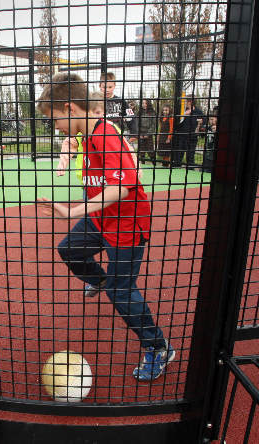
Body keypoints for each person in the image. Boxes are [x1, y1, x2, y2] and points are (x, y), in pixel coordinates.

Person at [36, 73, 175, 382]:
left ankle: (159, 347)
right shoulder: (85, 135)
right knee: (70, 250)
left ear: (71, 109)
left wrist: (72, 211)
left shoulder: (104, 135)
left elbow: (122, 187)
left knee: (122, 292)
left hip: (126, 224)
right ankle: (101, 282)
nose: (55, 126)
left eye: (55, 119)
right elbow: (80, 159)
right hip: (101, 218)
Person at [99, 72, 137, 138]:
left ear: (114, 86)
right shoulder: (96, 101)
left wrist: (134, 133)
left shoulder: (121, 101)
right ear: (100, 86)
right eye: (104, 87)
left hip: (118, 136)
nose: (107, 90)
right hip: (101, 136)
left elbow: (130, 117)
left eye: (110, 87)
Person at [173, 96, 204, 168]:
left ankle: (190, 171)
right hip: (181, 137)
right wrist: (183, 115)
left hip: (192, 138)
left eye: (187, 101)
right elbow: (177, 124)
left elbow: (202, 124)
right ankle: (176, 170)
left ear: (190, 102)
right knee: (178, 156)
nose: (185, 102)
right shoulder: (182, 111)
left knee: (190, 157)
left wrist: (201, 124)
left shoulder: (199, 112)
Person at [137, 99, 157, 164]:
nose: (144, 105)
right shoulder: (139, 112)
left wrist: (148, 134)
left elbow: (154, 124)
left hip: (149, 134)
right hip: (141, 133)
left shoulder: (152, 113)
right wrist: (139, 133)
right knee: (141, 151)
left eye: (145, 103)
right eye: (143, 103)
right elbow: (136, 123)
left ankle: (154, 164)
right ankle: (142, 164)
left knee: (150, 150)